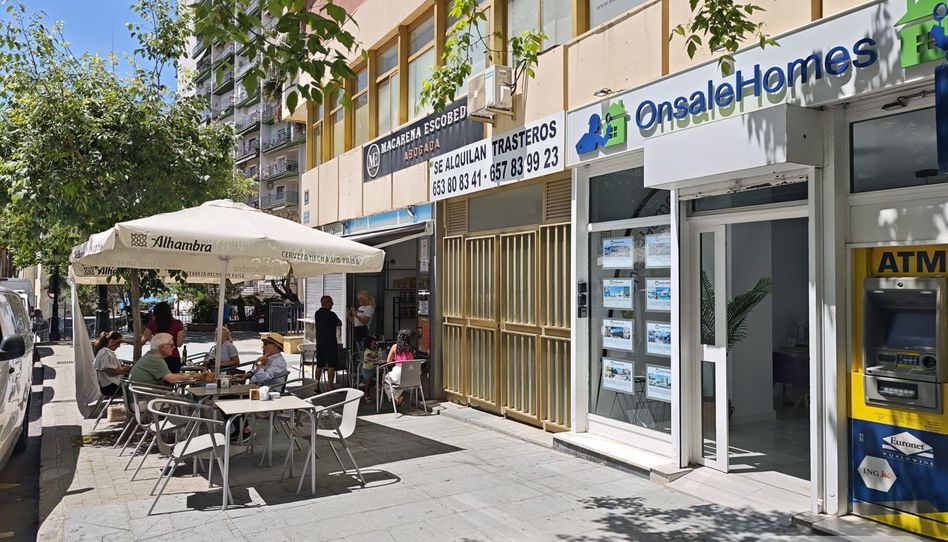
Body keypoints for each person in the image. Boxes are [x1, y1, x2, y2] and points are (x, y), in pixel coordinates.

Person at [129, 333, 203, 388]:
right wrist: (193, 376)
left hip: (144, 395)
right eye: (171, 345)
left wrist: (187, 375)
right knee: (191, 401)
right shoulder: (155, 358)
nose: (174, 347)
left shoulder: (151, 356)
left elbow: (169, 375)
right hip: (146, 400)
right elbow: (171, 379)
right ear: (162, 347)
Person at [140, 301, 185, 373]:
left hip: (157, 357)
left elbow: (142, 341)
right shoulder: (178, 324)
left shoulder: (152, 324)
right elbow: (179, 344)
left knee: (157, 380)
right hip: (173, 357)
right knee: (173, 378)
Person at [314, 295, 343, 390]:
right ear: (326, 303)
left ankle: (316, 386)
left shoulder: (317, 313)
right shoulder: (331, 314)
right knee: (331, 365)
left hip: (320, 342)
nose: (333, 304)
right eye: (331, 302)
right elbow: (339, 323)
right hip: (331, 343)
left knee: (319, 365)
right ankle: (330, 386)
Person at [383, 329, 416, 406]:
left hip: (399, 373)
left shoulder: (395, 346)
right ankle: (398, 397)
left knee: (385, 381)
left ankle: (397, 397)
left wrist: (396, 359)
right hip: (411, 377)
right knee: (399, 384)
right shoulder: (411, 348)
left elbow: (388, 361)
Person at [92, 330, 129, 396]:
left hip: (108, 386)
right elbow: (109, 372)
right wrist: (123, 370)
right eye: (118, 343)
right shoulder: (106, 353)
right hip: (112, 387)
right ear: (112, 341)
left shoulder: (103, 352)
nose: (119, 346)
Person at [359, 336, 380, 403]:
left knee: (381, 371)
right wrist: (377, 356)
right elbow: (372, 356)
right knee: (368, 383)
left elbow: (376, 356)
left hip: (373, 368)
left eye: (376, 343)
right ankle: (366, 395)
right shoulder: (367, 351)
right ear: (369, 344)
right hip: (367, 370)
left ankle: (378, 384)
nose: (375, 345)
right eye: (374, 344)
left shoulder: (374, 350)